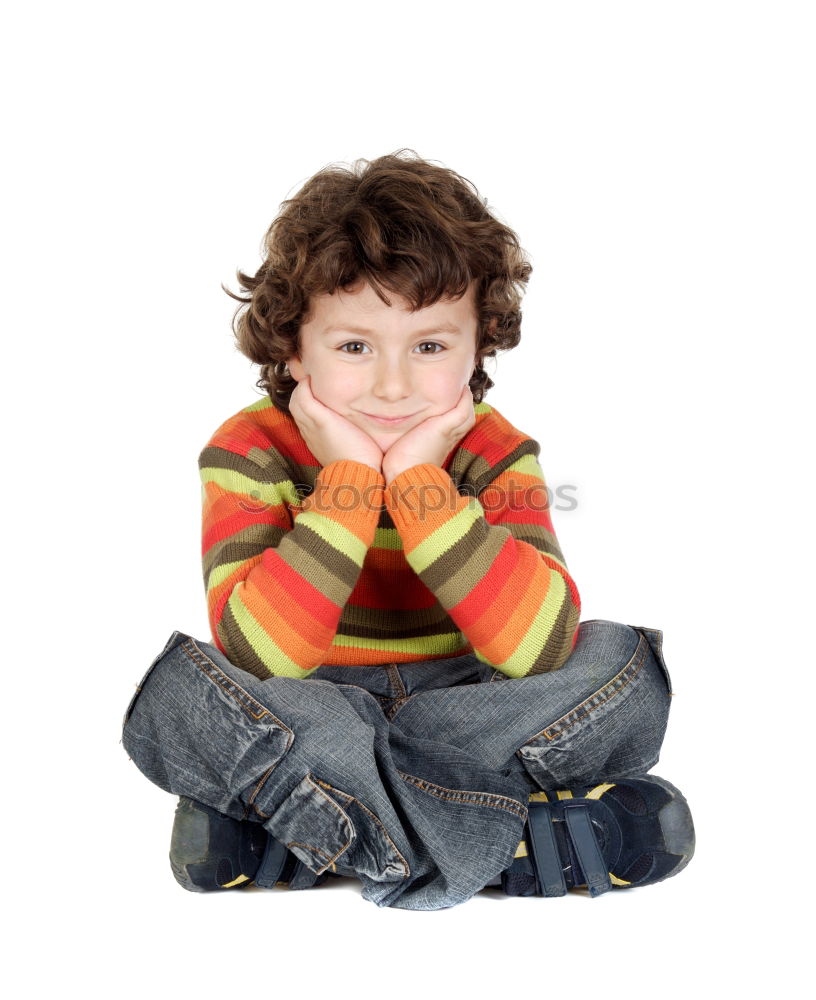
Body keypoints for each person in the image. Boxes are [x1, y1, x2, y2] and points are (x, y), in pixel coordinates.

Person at [121, 150, 694, 911]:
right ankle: (512, 842)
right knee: (180, 695)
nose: (393, 386)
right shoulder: (248, 449)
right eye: (355, 347)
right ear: (293, 348)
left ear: (476, 347)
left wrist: (422, 482)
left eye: (429, 347)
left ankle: (316, 827)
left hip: (467, 706)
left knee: (623, 667)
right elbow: (261, 653)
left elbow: (541, 649)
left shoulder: (494, 451)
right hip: (318, 704)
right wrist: (351, 482)